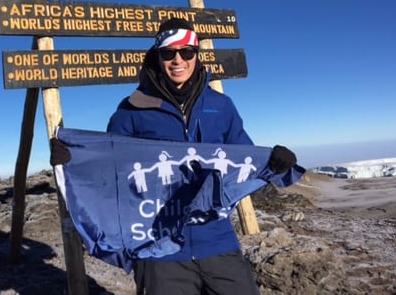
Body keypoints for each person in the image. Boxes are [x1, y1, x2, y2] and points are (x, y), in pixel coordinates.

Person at [52, 17, 298, 295]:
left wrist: (275, 162)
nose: (178, 60)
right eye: (169, 53)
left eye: (186, 52)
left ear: (196, 55)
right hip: (157, 248)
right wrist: (72, 161)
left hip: (216, 239)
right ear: (158, 57)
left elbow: (242, 158)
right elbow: (112, 172)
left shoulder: (221, 105)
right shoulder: (133, 108)